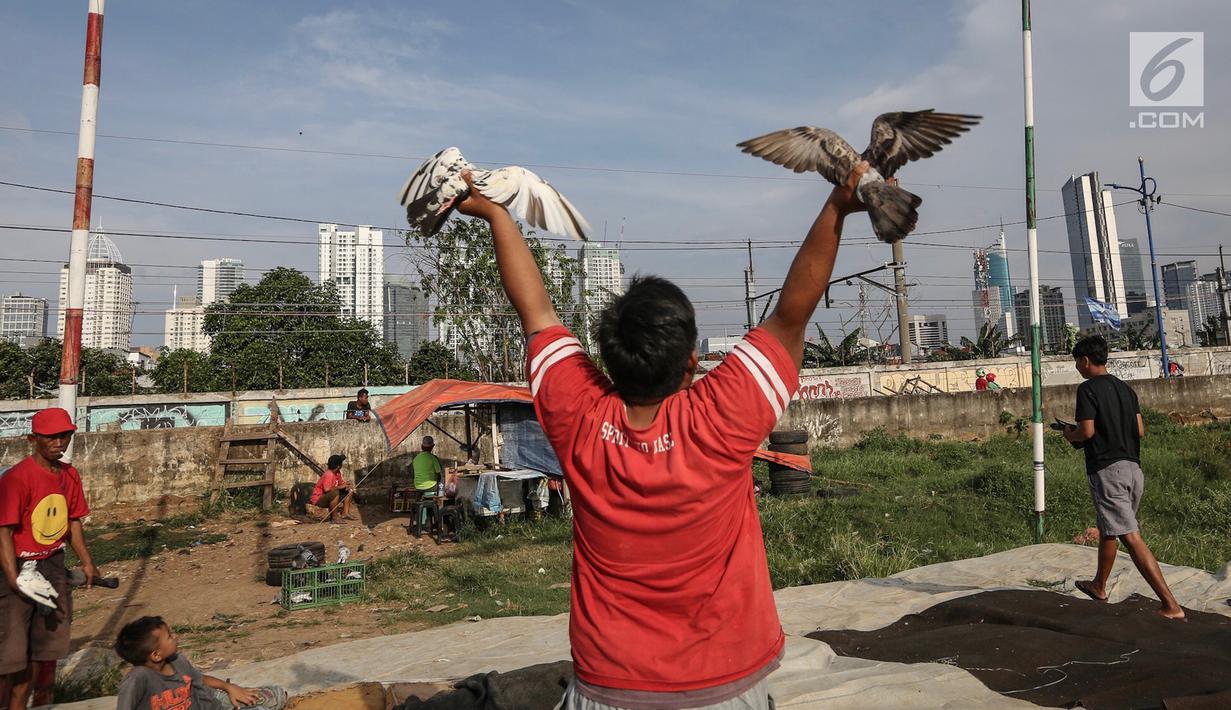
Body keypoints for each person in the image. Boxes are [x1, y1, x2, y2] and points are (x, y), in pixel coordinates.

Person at [455, 163, 866, 707]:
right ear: (692, 362)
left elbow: (535, 312)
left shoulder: (578, 413)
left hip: (608, 684)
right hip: (727, 683)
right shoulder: (723, 416)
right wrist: (837, 206)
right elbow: (792, 313)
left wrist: (496, 215)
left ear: (606, 360)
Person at [1063, 335, 1185, 620]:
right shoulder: (1126, 390)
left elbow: (1088, 432)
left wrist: (1071, 434)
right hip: (1133, 469)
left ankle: (1171, 605)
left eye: (1077, 363)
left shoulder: (1087, 390)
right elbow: (1139, 430)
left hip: (1108, 471)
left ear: (1084, 360)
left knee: (1130, 535)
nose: (1078, 368)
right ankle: (1099, 586)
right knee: (1110, 528)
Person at [0, 407, 99, 710]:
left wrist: (86, 561)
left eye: (65, 435)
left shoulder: (69, 475)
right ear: (33, 439)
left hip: (52, 565)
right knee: (9, 656)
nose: (59, 442)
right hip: (17, 566)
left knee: (42, 652)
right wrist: (13, 578)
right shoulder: (18, 478)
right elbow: (3, 530)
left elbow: (73, 522)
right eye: (51, 436)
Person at [114, 615, 288, 710]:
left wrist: (230, 688)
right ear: (156, 655)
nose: (175, 637)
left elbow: (200, 679)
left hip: (209, 702)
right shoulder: (137, 680)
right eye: (169, 637)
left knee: (276, 696)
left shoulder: (176, 660)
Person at [309, 454, 352, 523]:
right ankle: (334, 517)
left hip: (328, 497)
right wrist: (340, 487)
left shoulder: (337, 473)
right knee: (335, 492)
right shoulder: (328, 474)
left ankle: (345, 513)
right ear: (338, 466)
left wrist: (345, 484)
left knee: (349, 491)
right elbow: (327, 489)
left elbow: (340, 484)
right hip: (319, 499)